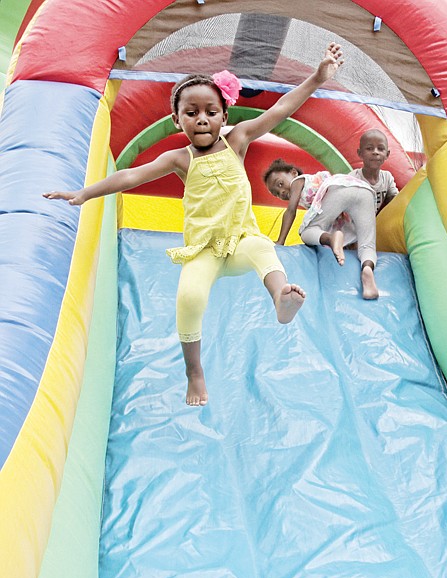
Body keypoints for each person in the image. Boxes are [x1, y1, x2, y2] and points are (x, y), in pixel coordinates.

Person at [43, 42, 344, 407]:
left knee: (263, 247)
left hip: (240, 242)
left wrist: (317, 77)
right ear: (177, 120)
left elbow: (281, 109)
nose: (202, 118)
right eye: (191, 112)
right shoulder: (179, 158)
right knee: (188, 297)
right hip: (203, 250)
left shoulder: (238, 141)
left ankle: (281, 298)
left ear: (224, 116)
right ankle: (194, 372)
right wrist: (85, 193)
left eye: (210, 111)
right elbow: (131, 176)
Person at [263, 159, 379, 300]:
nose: (281, 191)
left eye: (280, 184)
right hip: (364, 191)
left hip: (339, 190)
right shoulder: (314, 187)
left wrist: (280, 241)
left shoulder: (298, 181)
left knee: (307, 231)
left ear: (293, 172)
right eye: (276, 193)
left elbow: (290, 211)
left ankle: (331, 239)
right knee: (367, 243)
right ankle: (367, 270)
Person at [349, 128, 398, 215]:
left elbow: (395, 200)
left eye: (380, 149)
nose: (375, 152)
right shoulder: (353, 179)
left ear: (387, 154)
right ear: (360, 153)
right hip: (353, 225)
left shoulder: (387, 177)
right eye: (369, 148)